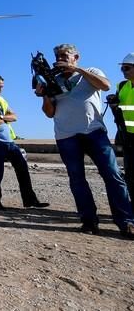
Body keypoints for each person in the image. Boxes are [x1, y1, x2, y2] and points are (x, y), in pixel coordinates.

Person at [37, 44, 134, 238]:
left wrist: (78, 70)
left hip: (94, 132)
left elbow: (105, 85)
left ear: (76, 57)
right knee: (77, 179)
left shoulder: (90, 72)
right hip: (66, 136)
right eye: (57, 56)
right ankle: (89, 220)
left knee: (113, 175)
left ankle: (126, 221)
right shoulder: (52, 80)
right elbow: (49, 113)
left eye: (64, 56)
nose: (60, 59)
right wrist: (45, 95)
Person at [0, 75, 49, 210]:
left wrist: (2, 117)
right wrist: (3, 118)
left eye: (2, 86)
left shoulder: (2, 100)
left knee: (22, 168)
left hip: (9, 141)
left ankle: (30, 200)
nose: (0, 89)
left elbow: (14, 116)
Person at [110, 53, 134, 212]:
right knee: (130, 175)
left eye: (127, 68)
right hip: (128, 136)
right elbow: (120, 112)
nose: (123, 71)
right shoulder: (121, 86)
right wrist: (113, 104)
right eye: (122, 68)